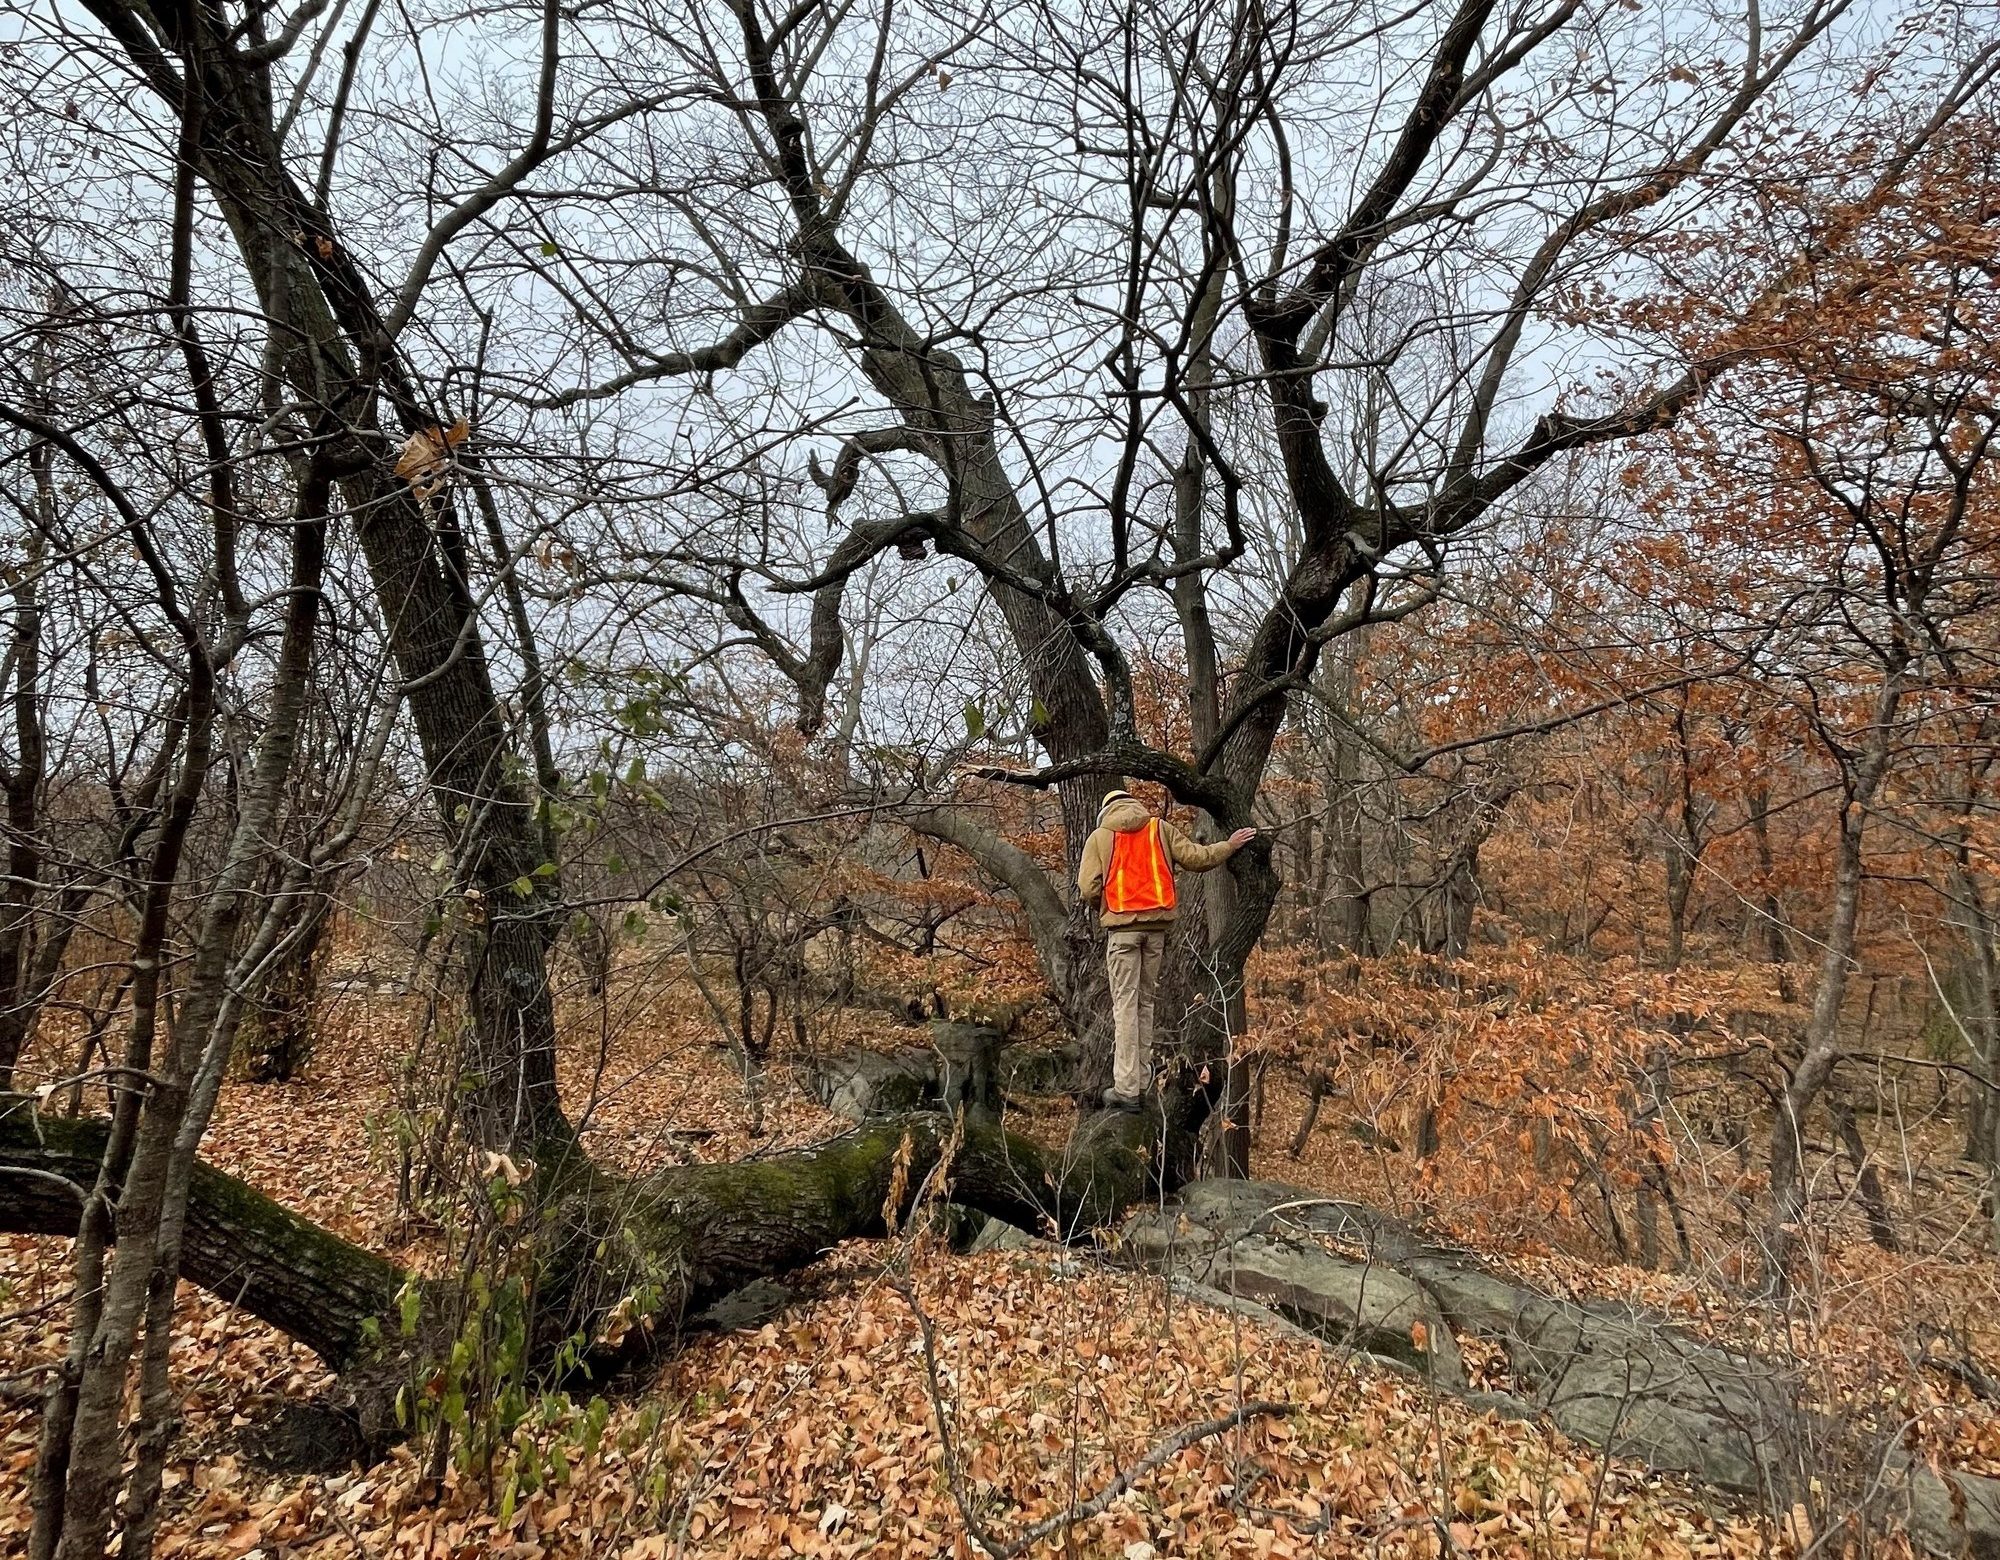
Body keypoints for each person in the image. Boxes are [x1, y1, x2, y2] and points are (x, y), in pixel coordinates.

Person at [1076, 789, 1256, 1111]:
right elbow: (1198, 859)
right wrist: (1230, 845)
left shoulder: (1100, 837)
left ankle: (1127, 1089)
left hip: (1122, 934)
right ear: (1133, 803)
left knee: (1125, 1009)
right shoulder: (1159, 829)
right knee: (1145, 1005)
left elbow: (1089, 886)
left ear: (1106, 810)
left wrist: (1103, 905)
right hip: (1156, 933)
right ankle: (1142, 1083)